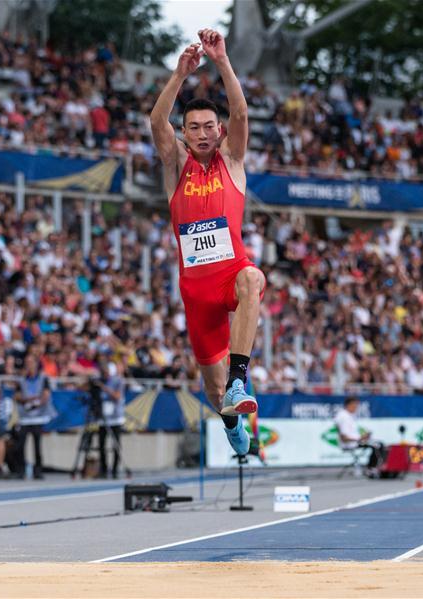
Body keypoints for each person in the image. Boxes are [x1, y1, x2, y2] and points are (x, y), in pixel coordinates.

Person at [149, 29, 265, 456]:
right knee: (214, 392)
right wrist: (179, 74)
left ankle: (240, 377)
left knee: (252, 278)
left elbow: (241, 112)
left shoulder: (231, 160)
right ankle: (229, 412)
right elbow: (156, 122)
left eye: (208, 127)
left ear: (219, 132)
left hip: (229, 273)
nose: (201, 133)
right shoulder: (175, 163)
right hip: (196, 289)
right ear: (184, 133)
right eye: (192, 127)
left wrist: (222, 62)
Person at [15, 354, 54, 479]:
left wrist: (38, 403)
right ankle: (21, 470)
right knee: (21, 444)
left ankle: (38, 471)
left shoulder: (43, 378)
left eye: (31, 362)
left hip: (38, 416)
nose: (29, 365)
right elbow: (16, 396)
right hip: (25, 417)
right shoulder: (21, 380)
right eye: (27, 362)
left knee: (37, 445)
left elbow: (46, 394)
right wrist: (28, 399)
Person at [334, 396, 384, 475]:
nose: (356, 408)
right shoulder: (343, 417)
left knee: (377, 443)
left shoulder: (348, 416)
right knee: (377, 445)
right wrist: (360, 438)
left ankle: (372, 467)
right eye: (355, 406)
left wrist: (362, 438)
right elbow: (344, 438)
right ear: (349, 405)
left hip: (355, 441)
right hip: (350, 444)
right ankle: (371, 468)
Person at [96, 356, 126, 479]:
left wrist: (104, 388)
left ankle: (114, 469)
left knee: (115, 445)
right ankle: (103, 469)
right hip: (103, 417)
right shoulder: (99, 380)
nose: (104, 375)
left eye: (106, 372)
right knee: (101, 445)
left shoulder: (118, 381)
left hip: (115, 417)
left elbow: (117, 396)